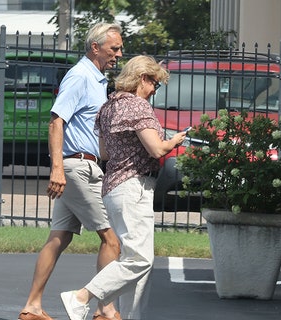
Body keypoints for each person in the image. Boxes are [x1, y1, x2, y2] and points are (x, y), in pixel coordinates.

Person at [59, 55, 187, 320]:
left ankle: (132, 315)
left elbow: (104, 153)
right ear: (143, 78)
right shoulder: (138, 106)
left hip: (113, 187)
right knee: (140, 260)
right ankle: (82, 296)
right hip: (134, 187)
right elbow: (156, 149)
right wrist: (174, 140)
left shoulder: (107, 107)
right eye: (155, 84)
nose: (154, 91)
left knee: (134, 260)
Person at [18, 22, 124, 320]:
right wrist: (57, 170)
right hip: (77, 168)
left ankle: (32, 306)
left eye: (119, 49)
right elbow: (56, 121)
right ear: (95, 47)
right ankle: (105, 310)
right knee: (111, 239)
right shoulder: (79, 76)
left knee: (58, 238)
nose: (118, 54)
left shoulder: (97, 79)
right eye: (114, 48)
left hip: (82, 165)